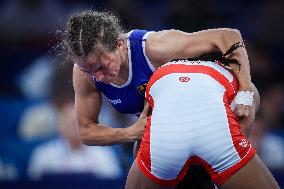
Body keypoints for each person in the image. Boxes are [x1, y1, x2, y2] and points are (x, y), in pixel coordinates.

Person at [63, 10, 259, 188]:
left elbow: (227, 36)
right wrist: (129, 132)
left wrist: (245, 92)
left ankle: (224, 172)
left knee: (243, 109)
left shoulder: (154, 47)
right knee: (139, 151)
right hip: (169, 127)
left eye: (102, 66)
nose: (97, 77)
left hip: (214, 104)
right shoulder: (84, 74)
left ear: (119, 44)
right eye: (87, 69)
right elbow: (86, 130)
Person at [125, 59, 280, 189]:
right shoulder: (242, 85)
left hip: (166, 144)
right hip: (216, 139)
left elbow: (144, 134)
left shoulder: (160, 75)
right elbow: (242, 131)